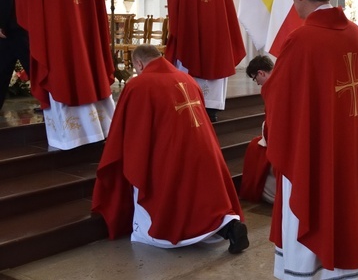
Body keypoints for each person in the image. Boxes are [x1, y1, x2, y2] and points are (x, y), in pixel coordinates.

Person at [261, 0, 358, 280]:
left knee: (313, 199)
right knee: (347, 204)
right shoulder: (355, 36)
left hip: (315, 150)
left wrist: (268, 87)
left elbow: (279, 93)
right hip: (350, 146)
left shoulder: (302, 39)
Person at [92, 44, 249, 254]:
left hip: (169, 151)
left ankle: (201, 230)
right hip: (204, 147)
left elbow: (127, 128)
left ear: (138, 63)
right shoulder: (187, 79)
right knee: (202, 196)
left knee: (171, 200)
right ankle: (229, 226)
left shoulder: (140, 85)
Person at [15, 0, 115, 150]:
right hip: (85, 37)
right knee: (87, 71)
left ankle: (71, 138)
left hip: (57, 39)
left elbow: (22, 1)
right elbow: (98, 9)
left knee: (61, 74)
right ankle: (100, 130)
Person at [165, 0, 245, 122]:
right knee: (216, 61)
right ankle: (212, 110)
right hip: (217, 34)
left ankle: (187, 109)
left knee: (189, 59)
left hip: (191, 33)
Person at [239, 55, 276, 204]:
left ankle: (255, 190)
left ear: (261, 73)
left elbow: (273, 122)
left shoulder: (271, 87)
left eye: (256, 79)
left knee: (254, 149)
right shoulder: (285, 77)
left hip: (281, 140)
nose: (258, 84)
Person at [0, 0, 29, 111]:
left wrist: (0, 24)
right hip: (21, 26)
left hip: (9, 29)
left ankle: (52, 102)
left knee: (2, 70)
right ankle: (51, 102)